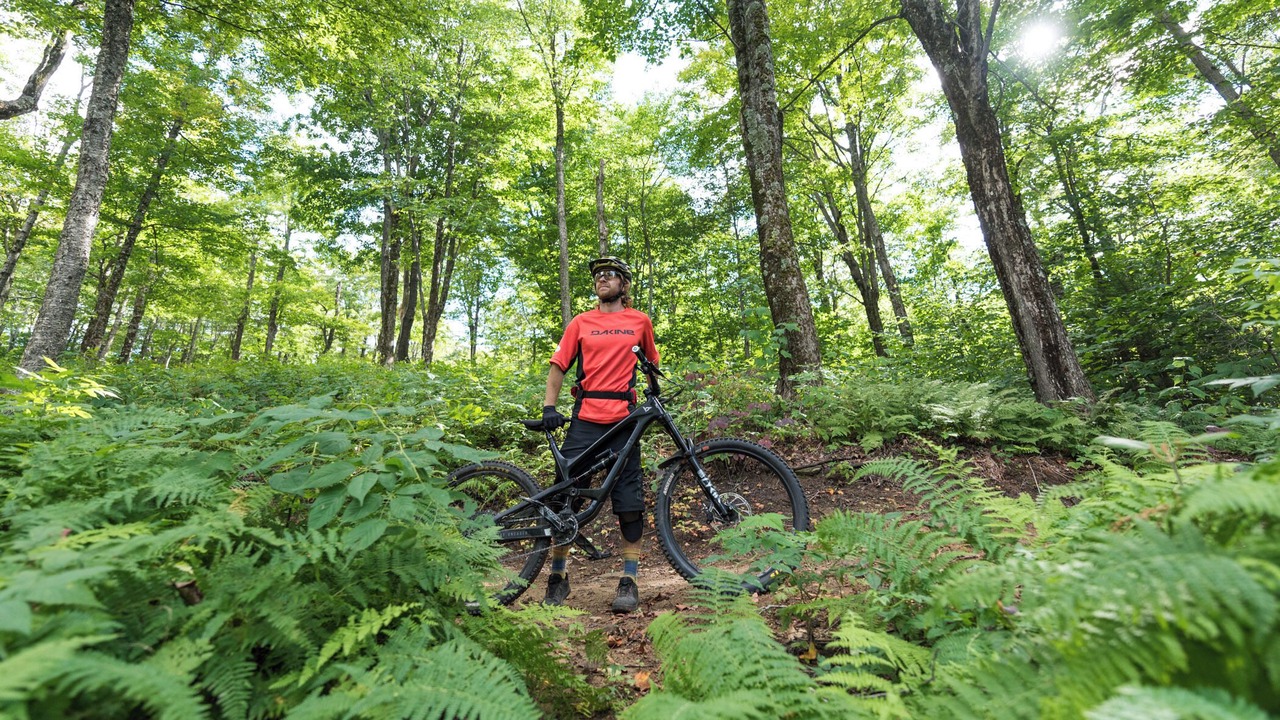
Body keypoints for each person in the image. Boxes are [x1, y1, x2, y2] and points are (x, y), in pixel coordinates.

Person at [541, 255, 659, 614]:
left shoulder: (640, 321)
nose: (600, 280)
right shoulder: (581, 322)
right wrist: (549, 407)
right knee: (567, 499)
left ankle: (629, 580)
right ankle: (558, 576)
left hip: (624, 420)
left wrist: (653, 402)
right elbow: (559, 365)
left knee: (629, 501)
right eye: (597, 276)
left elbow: (652, 367)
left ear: (624, 284)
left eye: (608, 275)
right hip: (586, 419)